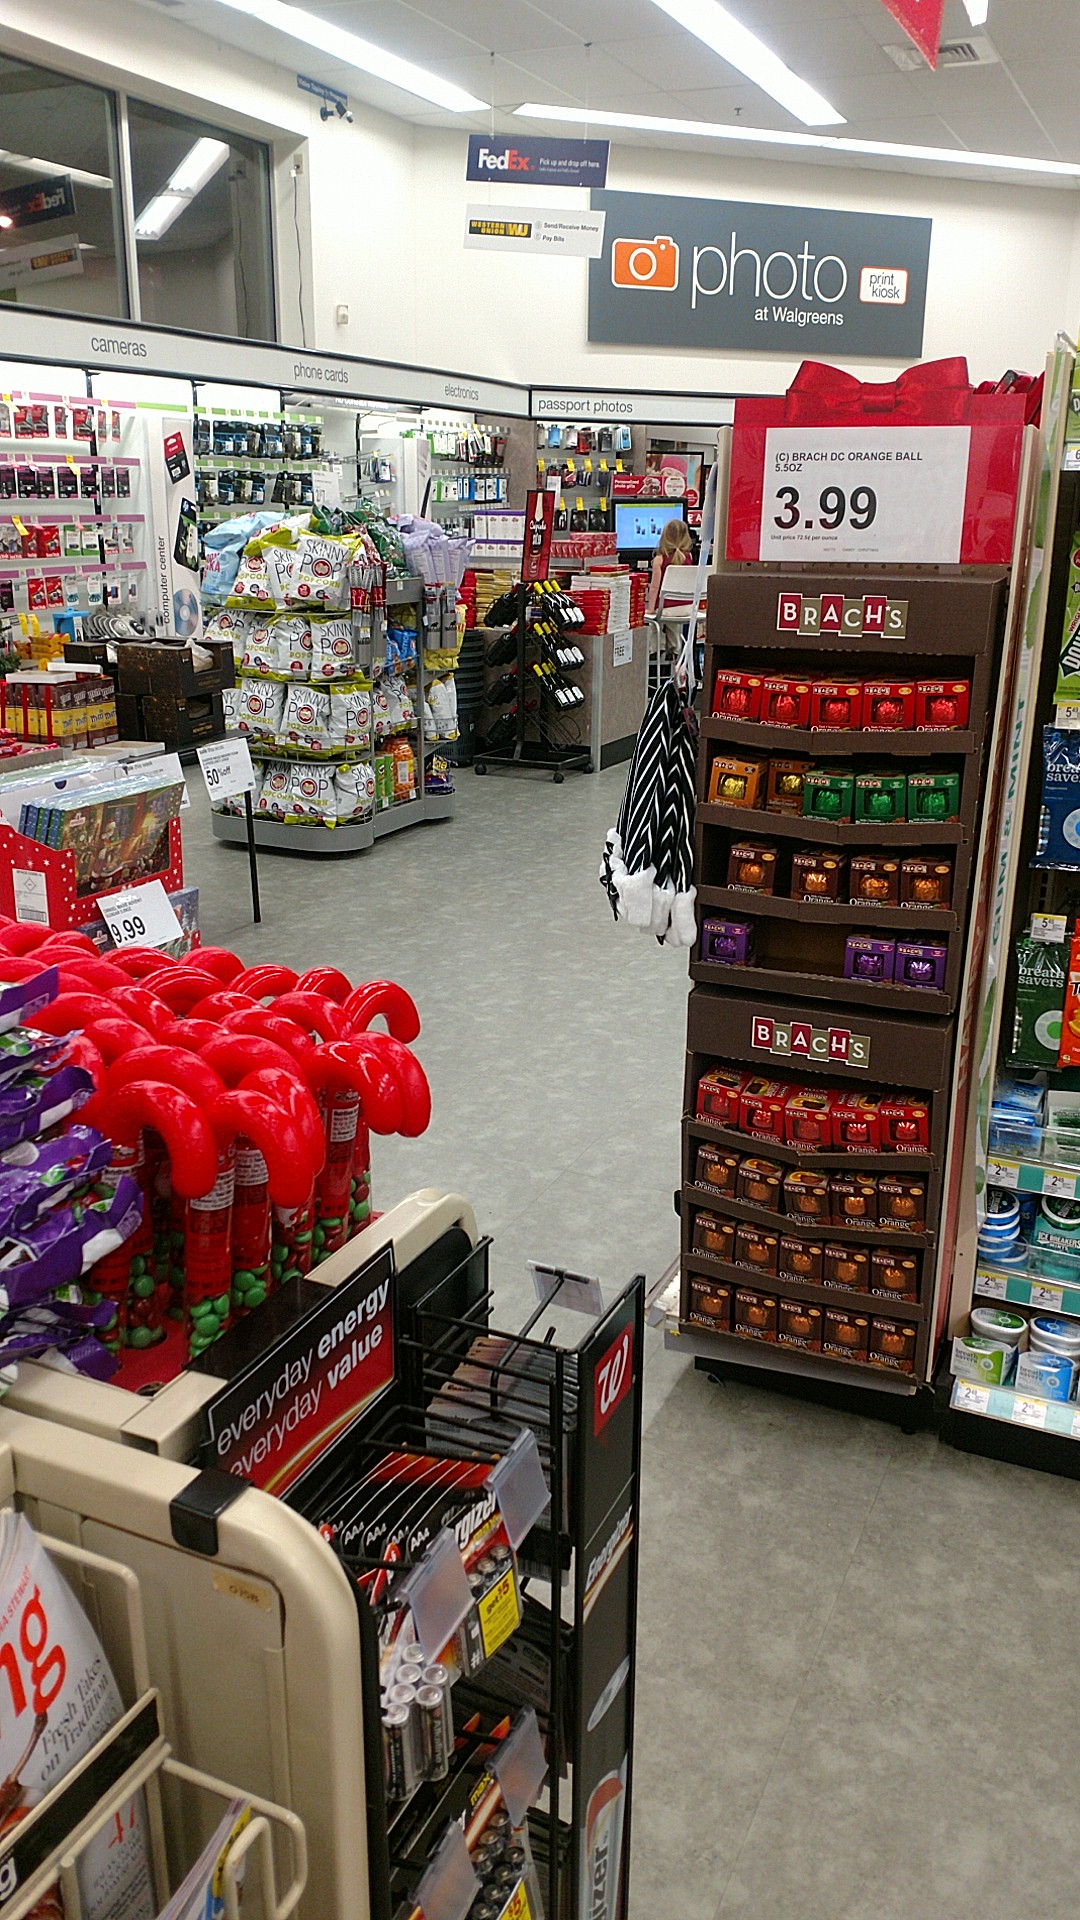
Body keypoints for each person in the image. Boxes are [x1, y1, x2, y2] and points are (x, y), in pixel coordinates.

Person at [646, 518, 693, 616]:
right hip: (688, 608)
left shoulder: (659, 560)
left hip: (665, 609)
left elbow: (654, 588)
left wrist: (650, 609)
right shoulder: (689, 556)